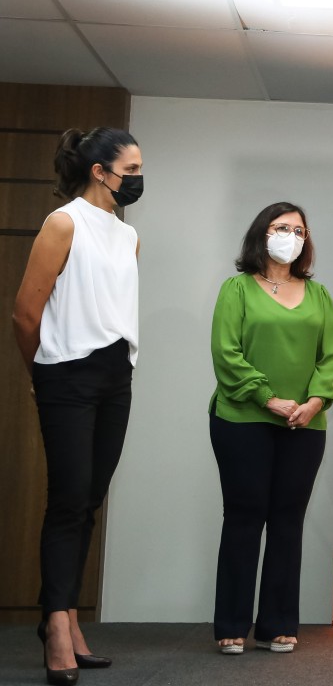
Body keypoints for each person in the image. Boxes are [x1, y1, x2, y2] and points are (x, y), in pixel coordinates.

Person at [13, 127, 143, 686]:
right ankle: (58, 623)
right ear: (100, 171)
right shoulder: (63, 222)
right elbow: (25, 313)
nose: (138, 179)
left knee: (90, 498)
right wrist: (39, 375)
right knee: (67, 499)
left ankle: (62, 613)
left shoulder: (127, 235)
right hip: (66, 371)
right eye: (131, 169)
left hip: (117, 374)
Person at [208, 202, 333, 655]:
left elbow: (330, 357)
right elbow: (227, 354)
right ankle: (231, 624)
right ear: (261, 235)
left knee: (288, 521)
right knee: (244, 518)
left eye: (299, 229)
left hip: (306, 423)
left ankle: (278, 623)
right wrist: (268, 397)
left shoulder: (318, 295)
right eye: (282, 227)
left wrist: (314, 401)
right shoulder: (237, 289)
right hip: (242, 418)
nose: (291, 235)